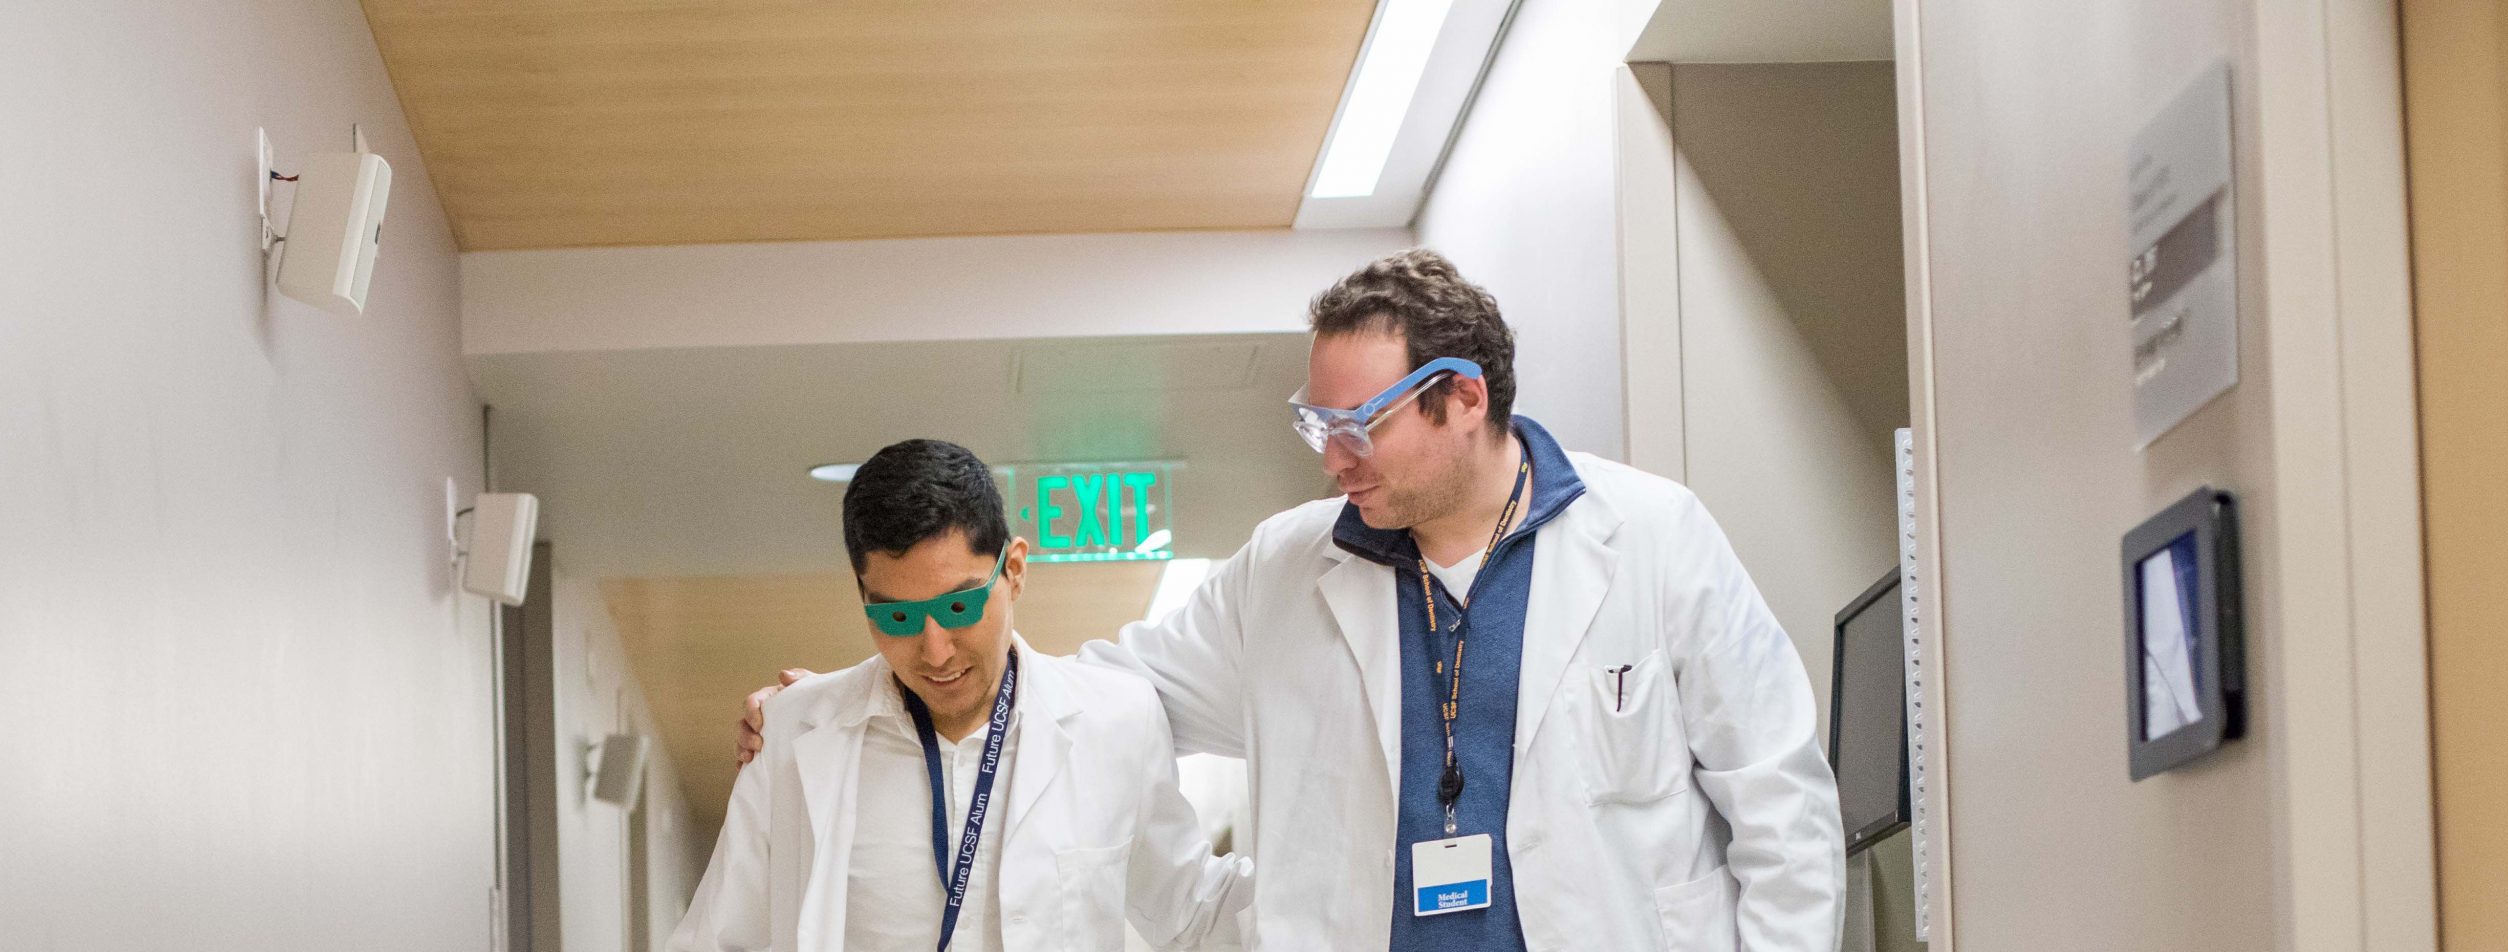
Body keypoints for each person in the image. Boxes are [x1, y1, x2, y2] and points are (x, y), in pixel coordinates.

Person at [743, 251, 1844, 951]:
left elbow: (1780, 805)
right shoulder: (1287, 566)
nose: (1333, 460)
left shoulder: (1651, 536)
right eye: (1316, 427)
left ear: (1461, 396)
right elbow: (1103, 697)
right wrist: (843, 705)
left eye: (1357, 426)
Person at [676, 439, 1250, 952]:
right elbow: (719, 937)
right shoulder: (793, 735)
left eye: (959, 607)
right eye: (898, 617)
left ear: (1015, 571)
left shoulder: (1115, 721)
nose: (935, 652)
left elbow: (1193, 915)